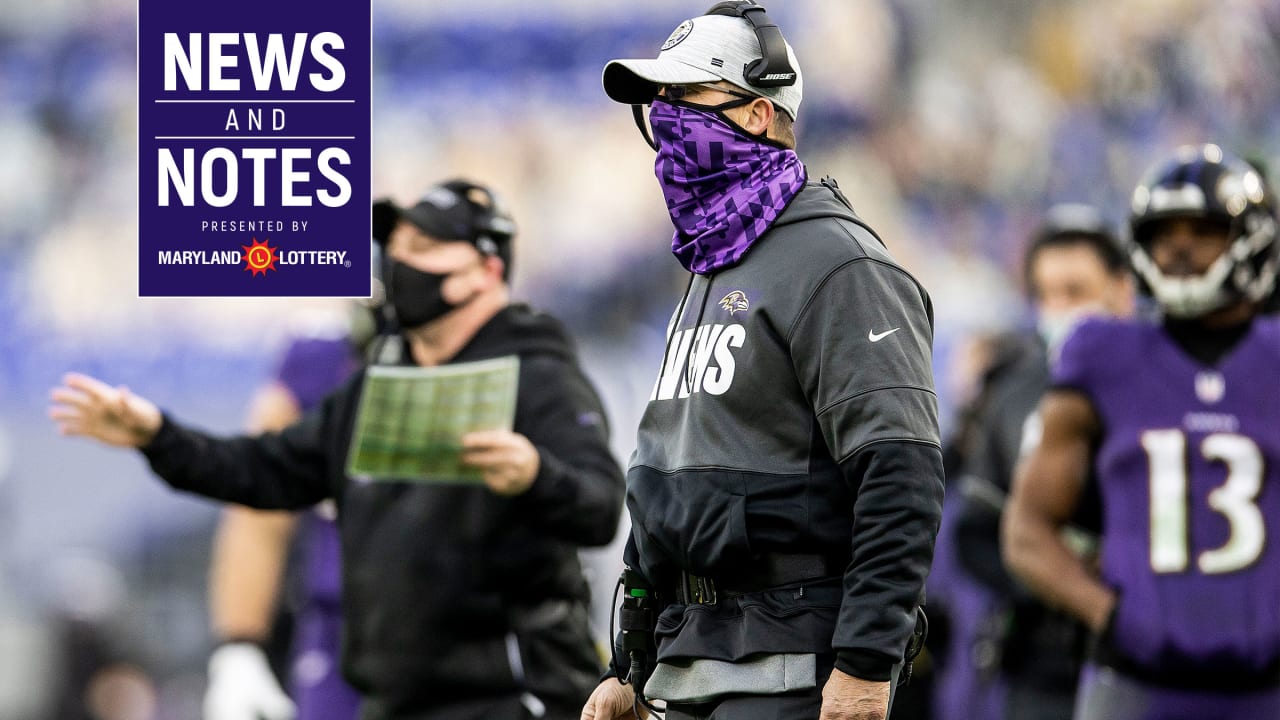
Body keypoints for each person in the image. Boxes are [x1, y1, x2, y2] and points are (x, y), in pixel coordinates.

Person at [50, 178, 627, 720]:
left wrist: (536, 475)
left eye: (422, 245)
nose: (397, 261)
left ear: (485, 268)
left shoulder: (536, 373)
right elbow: (263, 471)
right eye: (394, 244)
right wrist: (158, 435)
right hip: (392, 699)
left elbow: (600, 507)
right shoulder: (376, 383)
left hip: (514, 698)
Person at [584, 3, 945, 719]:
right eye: (659, 102)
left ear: (755, 115)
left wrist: (866, 664)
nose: (664, 119)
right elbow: (667, 479)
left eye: (684, 98)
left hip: (789, 671)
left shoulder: (838, 263)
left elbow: (901, 473)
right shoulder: (711, 263)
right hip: (695, 663)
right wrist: (633, 663)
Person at [1003, 144, 1280, 719]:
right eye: (1164, 232)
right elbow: (1027, 529)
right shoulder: (1103, 355)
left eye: (1202, 230)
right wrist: (1108, 612)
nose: (1179, 247)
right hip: (1136, 682)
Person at [952, 204, 1134, 720]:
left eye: (1076, 291)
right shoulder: (1011, 393)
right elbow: (976, 532)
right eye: (1046, 294)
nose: (1059, 309)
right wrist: (1050, 577)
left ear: (1122, 289)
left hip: (1148, 650)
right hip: (1042, 662)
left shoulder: (1162, 387)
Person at [204, 306, 366, 720]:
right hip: (344, 630)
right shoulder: (325, 354)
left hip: (469, 628)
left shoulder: (511, 349)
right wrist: (239, 644)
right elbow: (259, 506)